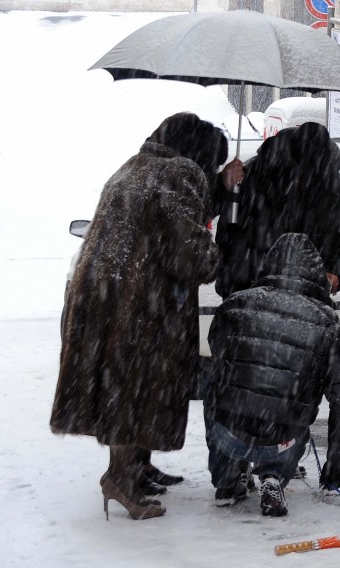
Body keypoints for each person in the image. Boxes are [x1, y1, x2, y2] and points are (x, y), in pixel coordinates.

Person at [51, 112, 231, 520]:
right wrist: (213, 253)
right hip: (138, 306)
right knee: (136, 386)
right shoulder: (177, 176)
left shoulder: (136, 167)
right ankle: (121, 478)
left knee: (122, 384)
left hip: (106, 297)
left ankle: (137, 465)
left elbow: (166, 218)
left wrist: (218, 187)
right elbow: (187, 251)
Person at [204, 233, 340, 517]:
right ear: (316, 275)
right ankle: (273, 476)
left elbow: (217, 364)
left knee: (216, 386)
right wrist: (334, 469)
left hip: (228, 435)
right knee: (289, 416)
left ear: (268, 265)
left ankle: (227, 479)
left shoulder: (233, 306)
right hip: (283, 444)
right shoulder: (330, 324)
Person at [215, 122, 340, 298]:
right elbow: (228, 224)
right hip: (250, 283)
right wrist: (232, 272)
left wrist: (335, 270)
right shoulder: (259, 174)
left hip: (306, 287)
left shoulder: (331, 185)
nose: (305, 180)